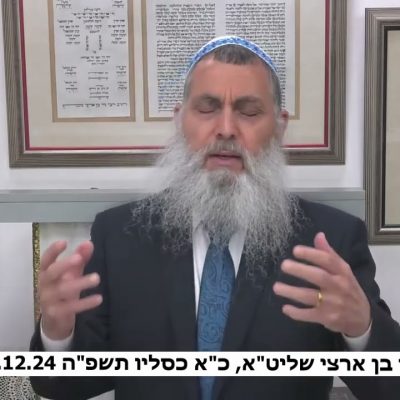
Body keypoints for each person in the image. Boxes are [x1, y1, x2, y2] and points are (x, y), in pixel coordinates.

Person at [30, 36, 400, 400]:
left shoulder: (331, 241)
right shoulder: (119, 236)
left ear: (280, 125)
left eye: (249, 111)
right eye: (207, 108)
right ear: (180, 120)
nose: (225, 128)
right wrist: (57, 334)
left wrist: (361, 328)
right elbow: (62, 386)